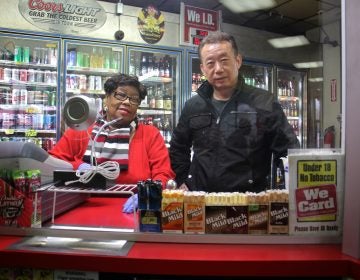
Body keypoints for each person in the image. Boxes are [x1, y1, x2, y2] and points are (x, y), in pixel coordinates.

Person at [169, 31, 299, 193]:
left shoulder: (264, 102)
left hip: (249, 203)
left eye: (224, 60)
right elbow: (178, 147)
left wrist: (285, 192)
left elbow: (289, 151)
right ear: (203, 69)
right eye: (210, 63)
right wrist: (182, 179)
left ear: (238, 61)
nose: (218, 69)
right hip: (200, 201)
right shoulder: (193, 106)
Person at [49, 74, 175, 212]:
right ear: (107, 98)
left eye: (134, 99)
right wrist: (78, 166)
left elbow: (164, 174)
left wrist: (147, 194)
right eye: (121, 95)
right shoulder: (81, 131)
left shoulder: (150, 135)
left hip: (133, 213)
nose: (127, 102)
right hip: (80, 208)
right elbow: (52, 163)